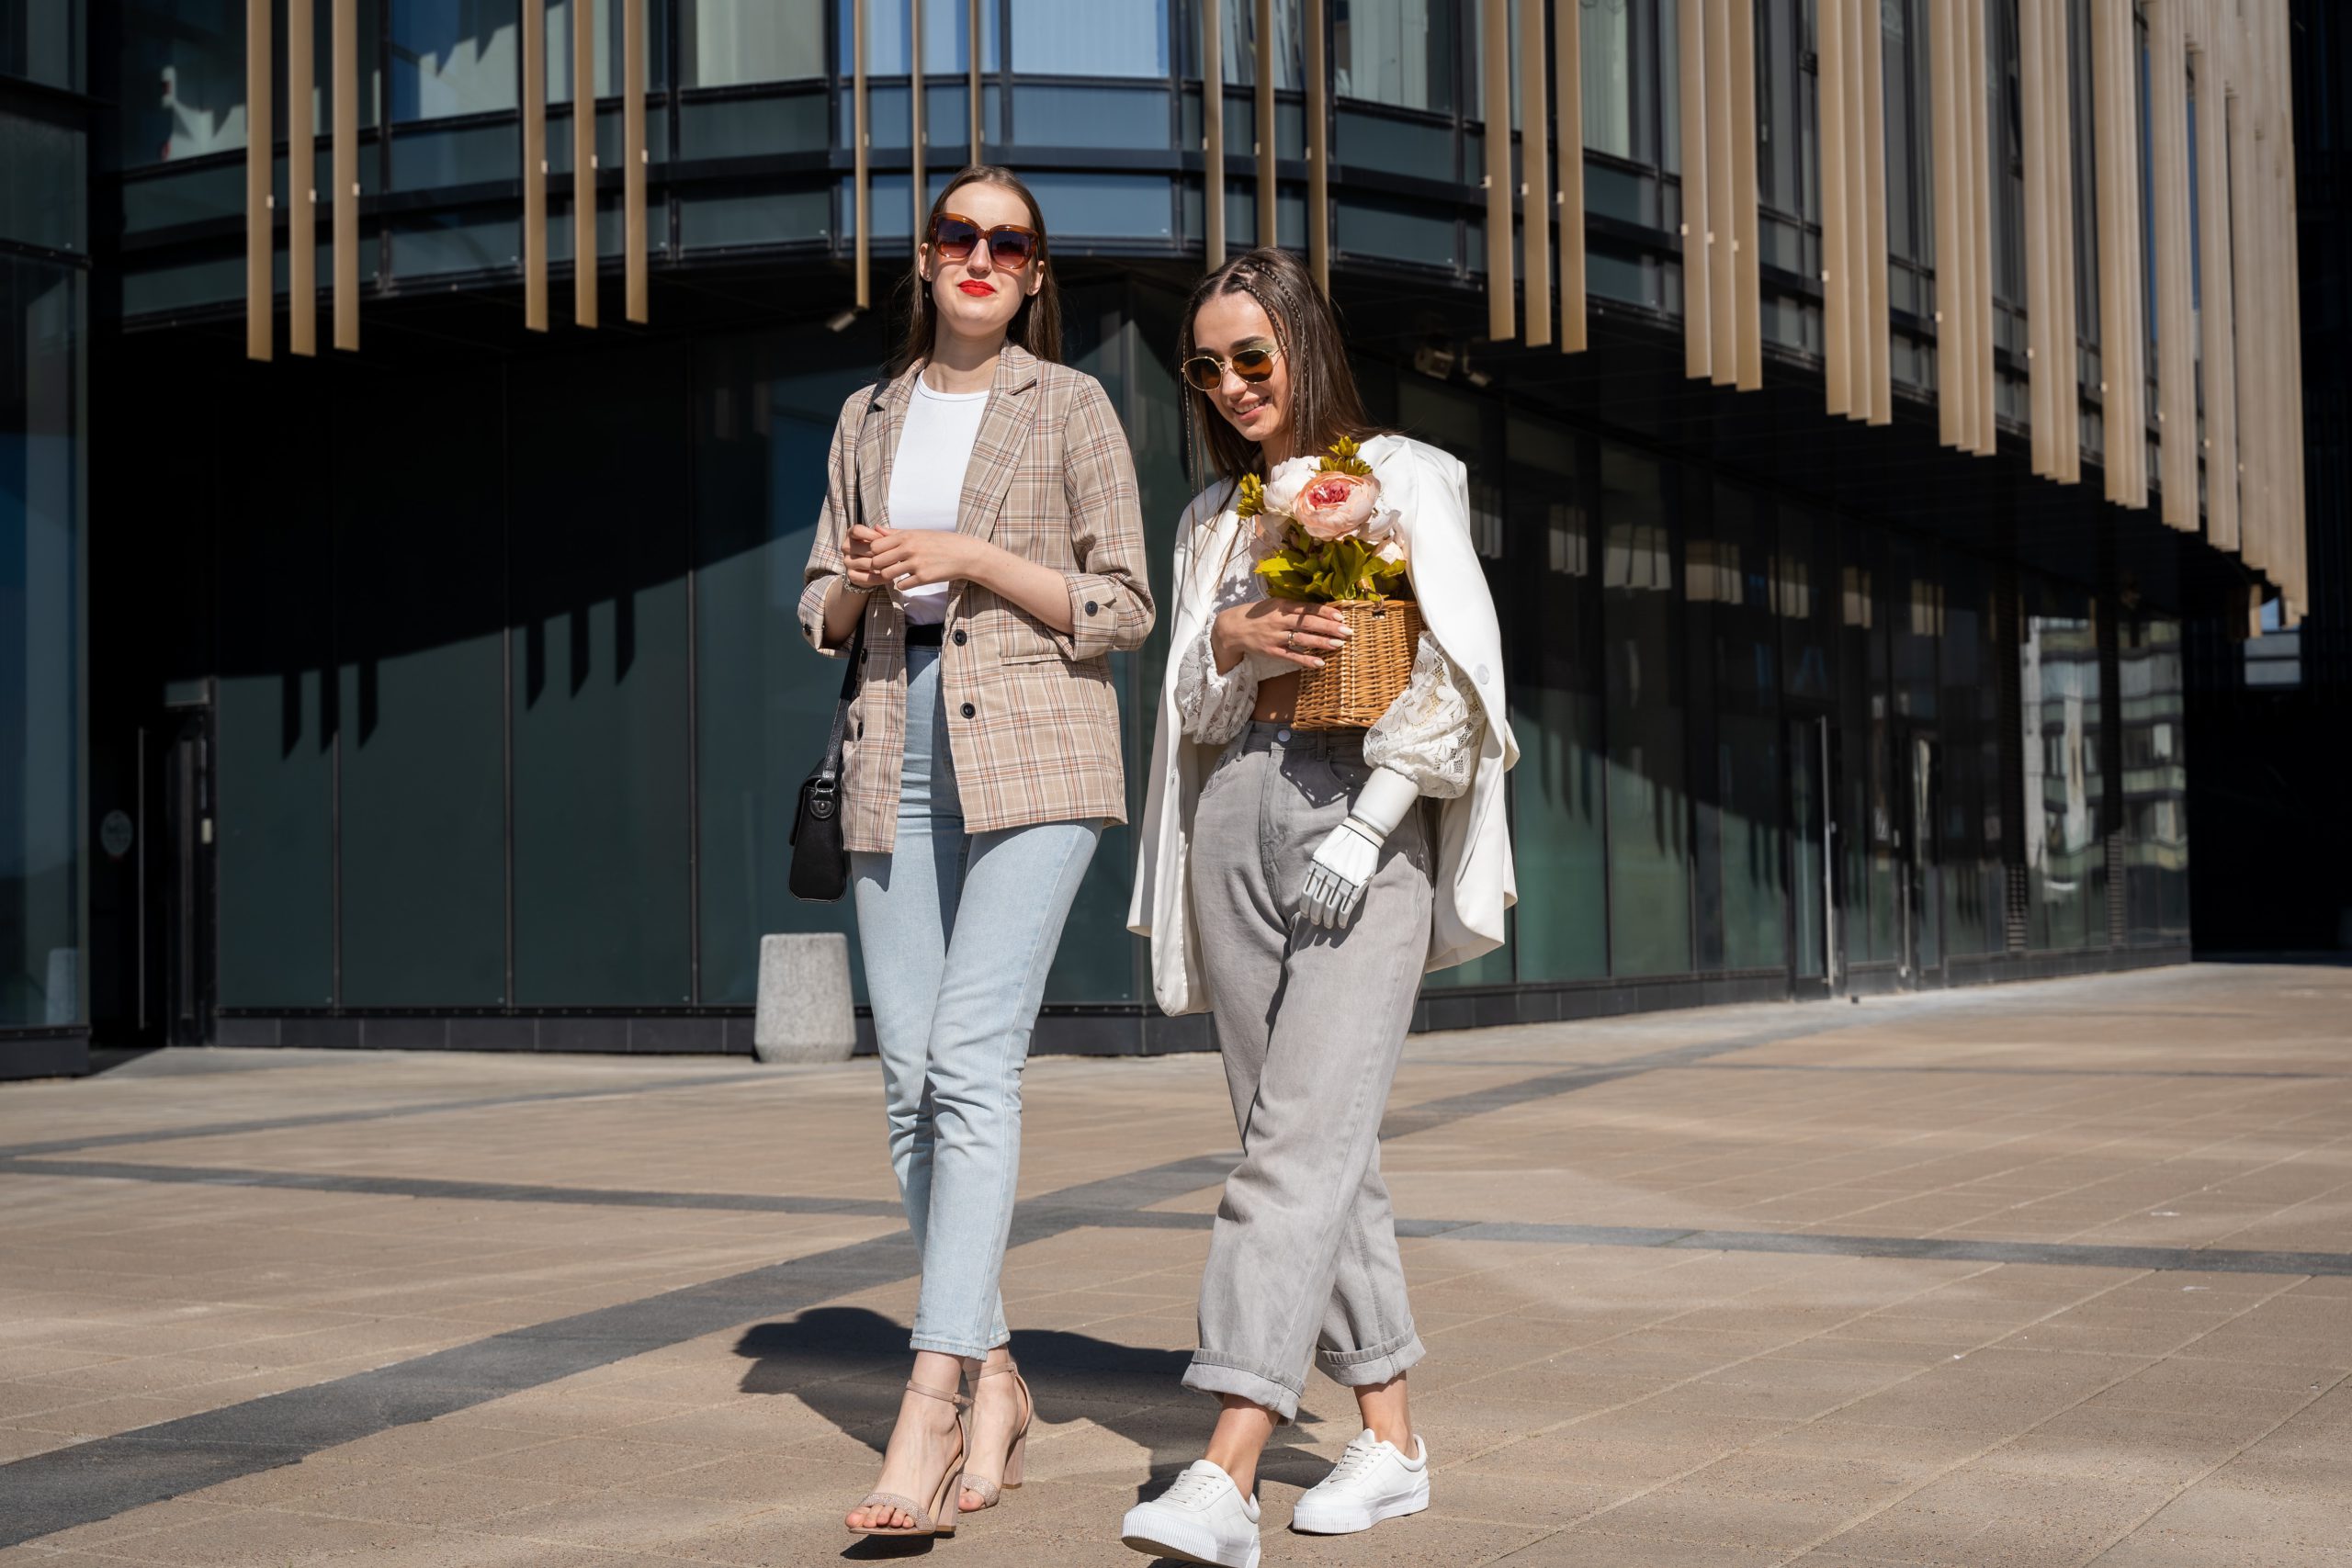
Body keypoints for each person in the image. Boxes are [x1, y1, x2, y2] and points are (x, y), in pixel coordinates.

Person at [1122, 248, 1517, 1567]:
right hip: (1236, 809)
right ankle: (1392, 1439)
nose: (1233, 384)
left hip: (1365, 816)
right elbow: (1184, 708)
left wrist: (1369, 823)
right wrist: (1226, 642)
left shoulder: (1405, 478)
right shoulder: (1209, 523)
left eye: (1254, 356)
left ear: (1303, 344)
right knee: (1308, 1138)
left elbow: (1464, 680)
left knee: (1288, 1149)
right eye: (1208, 365)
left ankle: (1228, 1468)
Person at [797, 165, 1154, 1539]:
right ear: (927, 259)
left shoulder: (1069, 406)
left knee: (969, 1062)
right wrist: (863, 585)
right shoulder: (866, 413)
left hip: (1041, 750)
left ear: (1037, 273)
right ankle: (997, 1368)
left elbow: (1122, 604)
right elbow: (821, 600)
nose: (982, 256)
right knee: (905, 1085)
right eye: (960, 235)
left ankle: (932, 1398)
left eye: (1010, 242)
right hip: (898, 741)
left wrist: (972, 555)